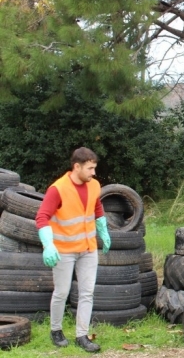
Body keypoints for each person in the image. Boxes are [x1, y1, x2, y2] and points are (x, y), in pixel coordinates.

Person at [35, 147, 111, 353]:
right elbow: (42, 217)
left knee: (87, 292)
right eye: (90, 168)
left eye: (94, 168)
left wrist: (103, 230)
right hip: (64, 250)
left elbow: (96, 208)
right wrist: (48, 245)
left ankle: (82, 335)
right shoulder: (58, 189)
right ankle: (56, 330)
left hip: (88, 248)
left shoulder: (94, 185)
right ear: (76, 166)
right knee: (62, 292)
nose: (93, 173)